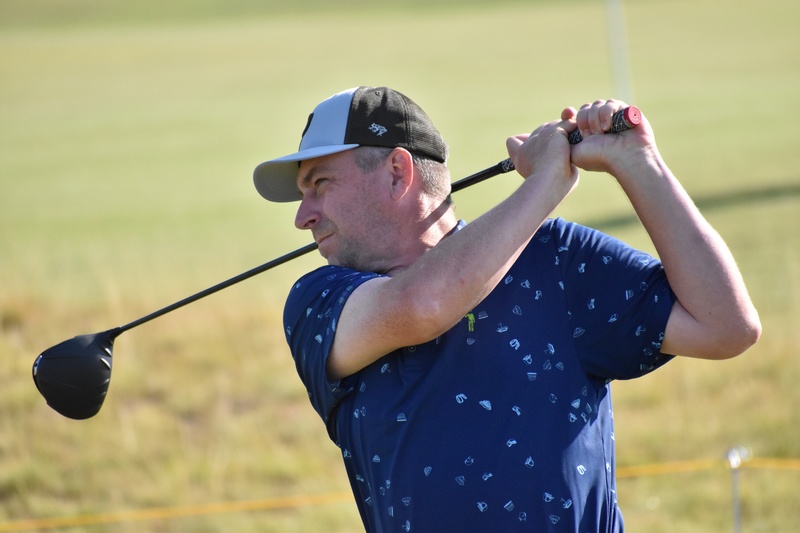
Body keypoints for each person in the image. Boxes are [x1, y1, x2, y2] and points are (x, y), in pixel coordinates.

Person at [252, 86, 761, 532]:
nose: (303, 217)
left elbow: (727, 326)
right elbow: (423, 305)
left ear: (397, 173)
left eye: (320, 184)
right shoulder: (319, 302)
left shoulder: (556, 258)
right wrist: (545, 183)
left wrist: (639, 162)